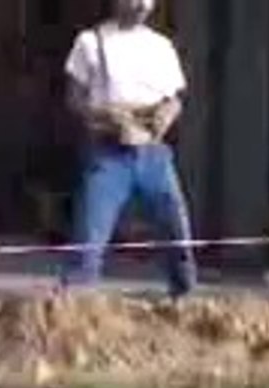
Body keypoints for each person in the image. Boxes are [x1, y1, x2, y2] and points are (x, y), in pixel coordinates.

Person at [59, 0, 196, 297]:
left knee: (175, 228)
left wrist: (167, 114)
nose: (142, 6)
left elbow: (174, 98)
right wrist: (104, 115)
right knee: (90, 233)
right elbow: (73, 99)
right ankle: (75, 303)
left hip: (153, 152)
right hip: (108, 153)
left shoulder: (161, 46)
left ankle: (184, 297)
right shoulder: (90, 42)